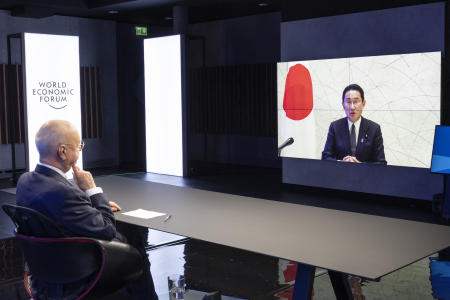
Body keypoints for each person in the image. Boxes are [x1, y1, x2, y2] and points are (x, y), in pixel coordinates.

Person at [15, 120, 158, 300]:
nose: (79, 151)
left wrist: (94, 205)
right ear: (63, 151)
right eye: (78, 147)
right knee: (132, 235)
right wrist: (92, 190)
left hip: (43, 269)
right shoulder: (63, 193)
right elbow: (106, 229)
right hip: (75, 268)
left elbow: (63, 212)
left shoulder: (25, 181)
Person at [321, 84, 387, 164]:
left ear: (363, 103)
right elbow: (325, 157)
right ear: (343, 104)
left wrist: (361, 166)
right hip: (340, 174)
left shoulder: (374, 129)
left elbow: (381, 162)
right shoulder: (335, 127)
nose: (352, 107)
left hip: (365, 175)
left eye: (356, 102)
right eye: (348, 102)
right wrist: (340, 163)